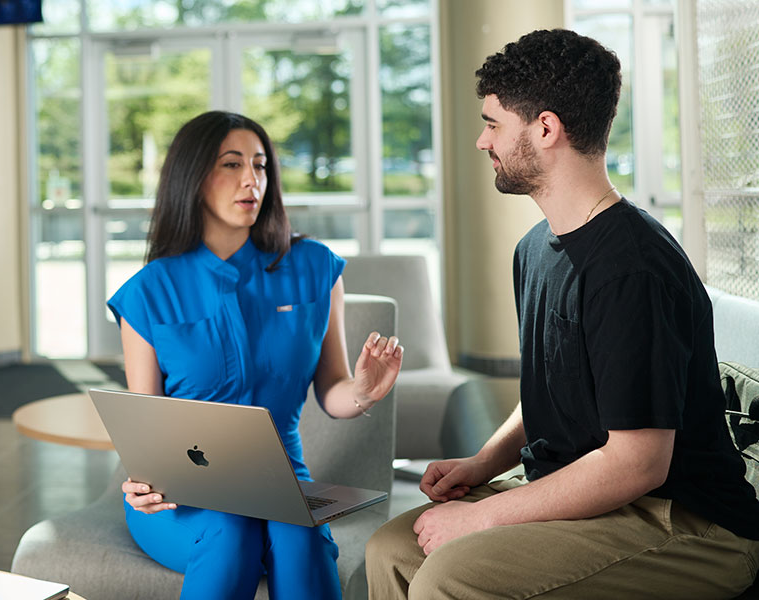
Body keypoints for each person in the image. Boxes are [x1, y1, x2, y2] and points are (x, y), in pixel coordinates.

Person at [365, 28, 759, 599]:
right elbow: (559, 388)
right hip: (588, 492)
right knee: (390, 549)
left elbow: (638, 464)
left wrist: (483, 517)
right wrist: (483, 462)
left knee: (451, 574)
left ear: (545, 129)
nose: (481, 141)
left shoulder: (632, 269)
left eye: (493, 123)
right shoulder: (535, 248)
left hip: (686, 521)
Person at [107, 110, 403, 600]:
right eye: (231, 164)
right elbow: (148, 429)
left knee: (299, 534)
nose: (252, 179)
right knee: (231, 529)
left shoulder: (315, 269)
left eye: (261, 165)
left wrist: (364, 390)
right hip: (185, 494)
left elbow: (332, 389)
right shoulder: (148, 293)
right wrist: (144, 482)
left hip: (282, 480)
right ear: (193, 176)